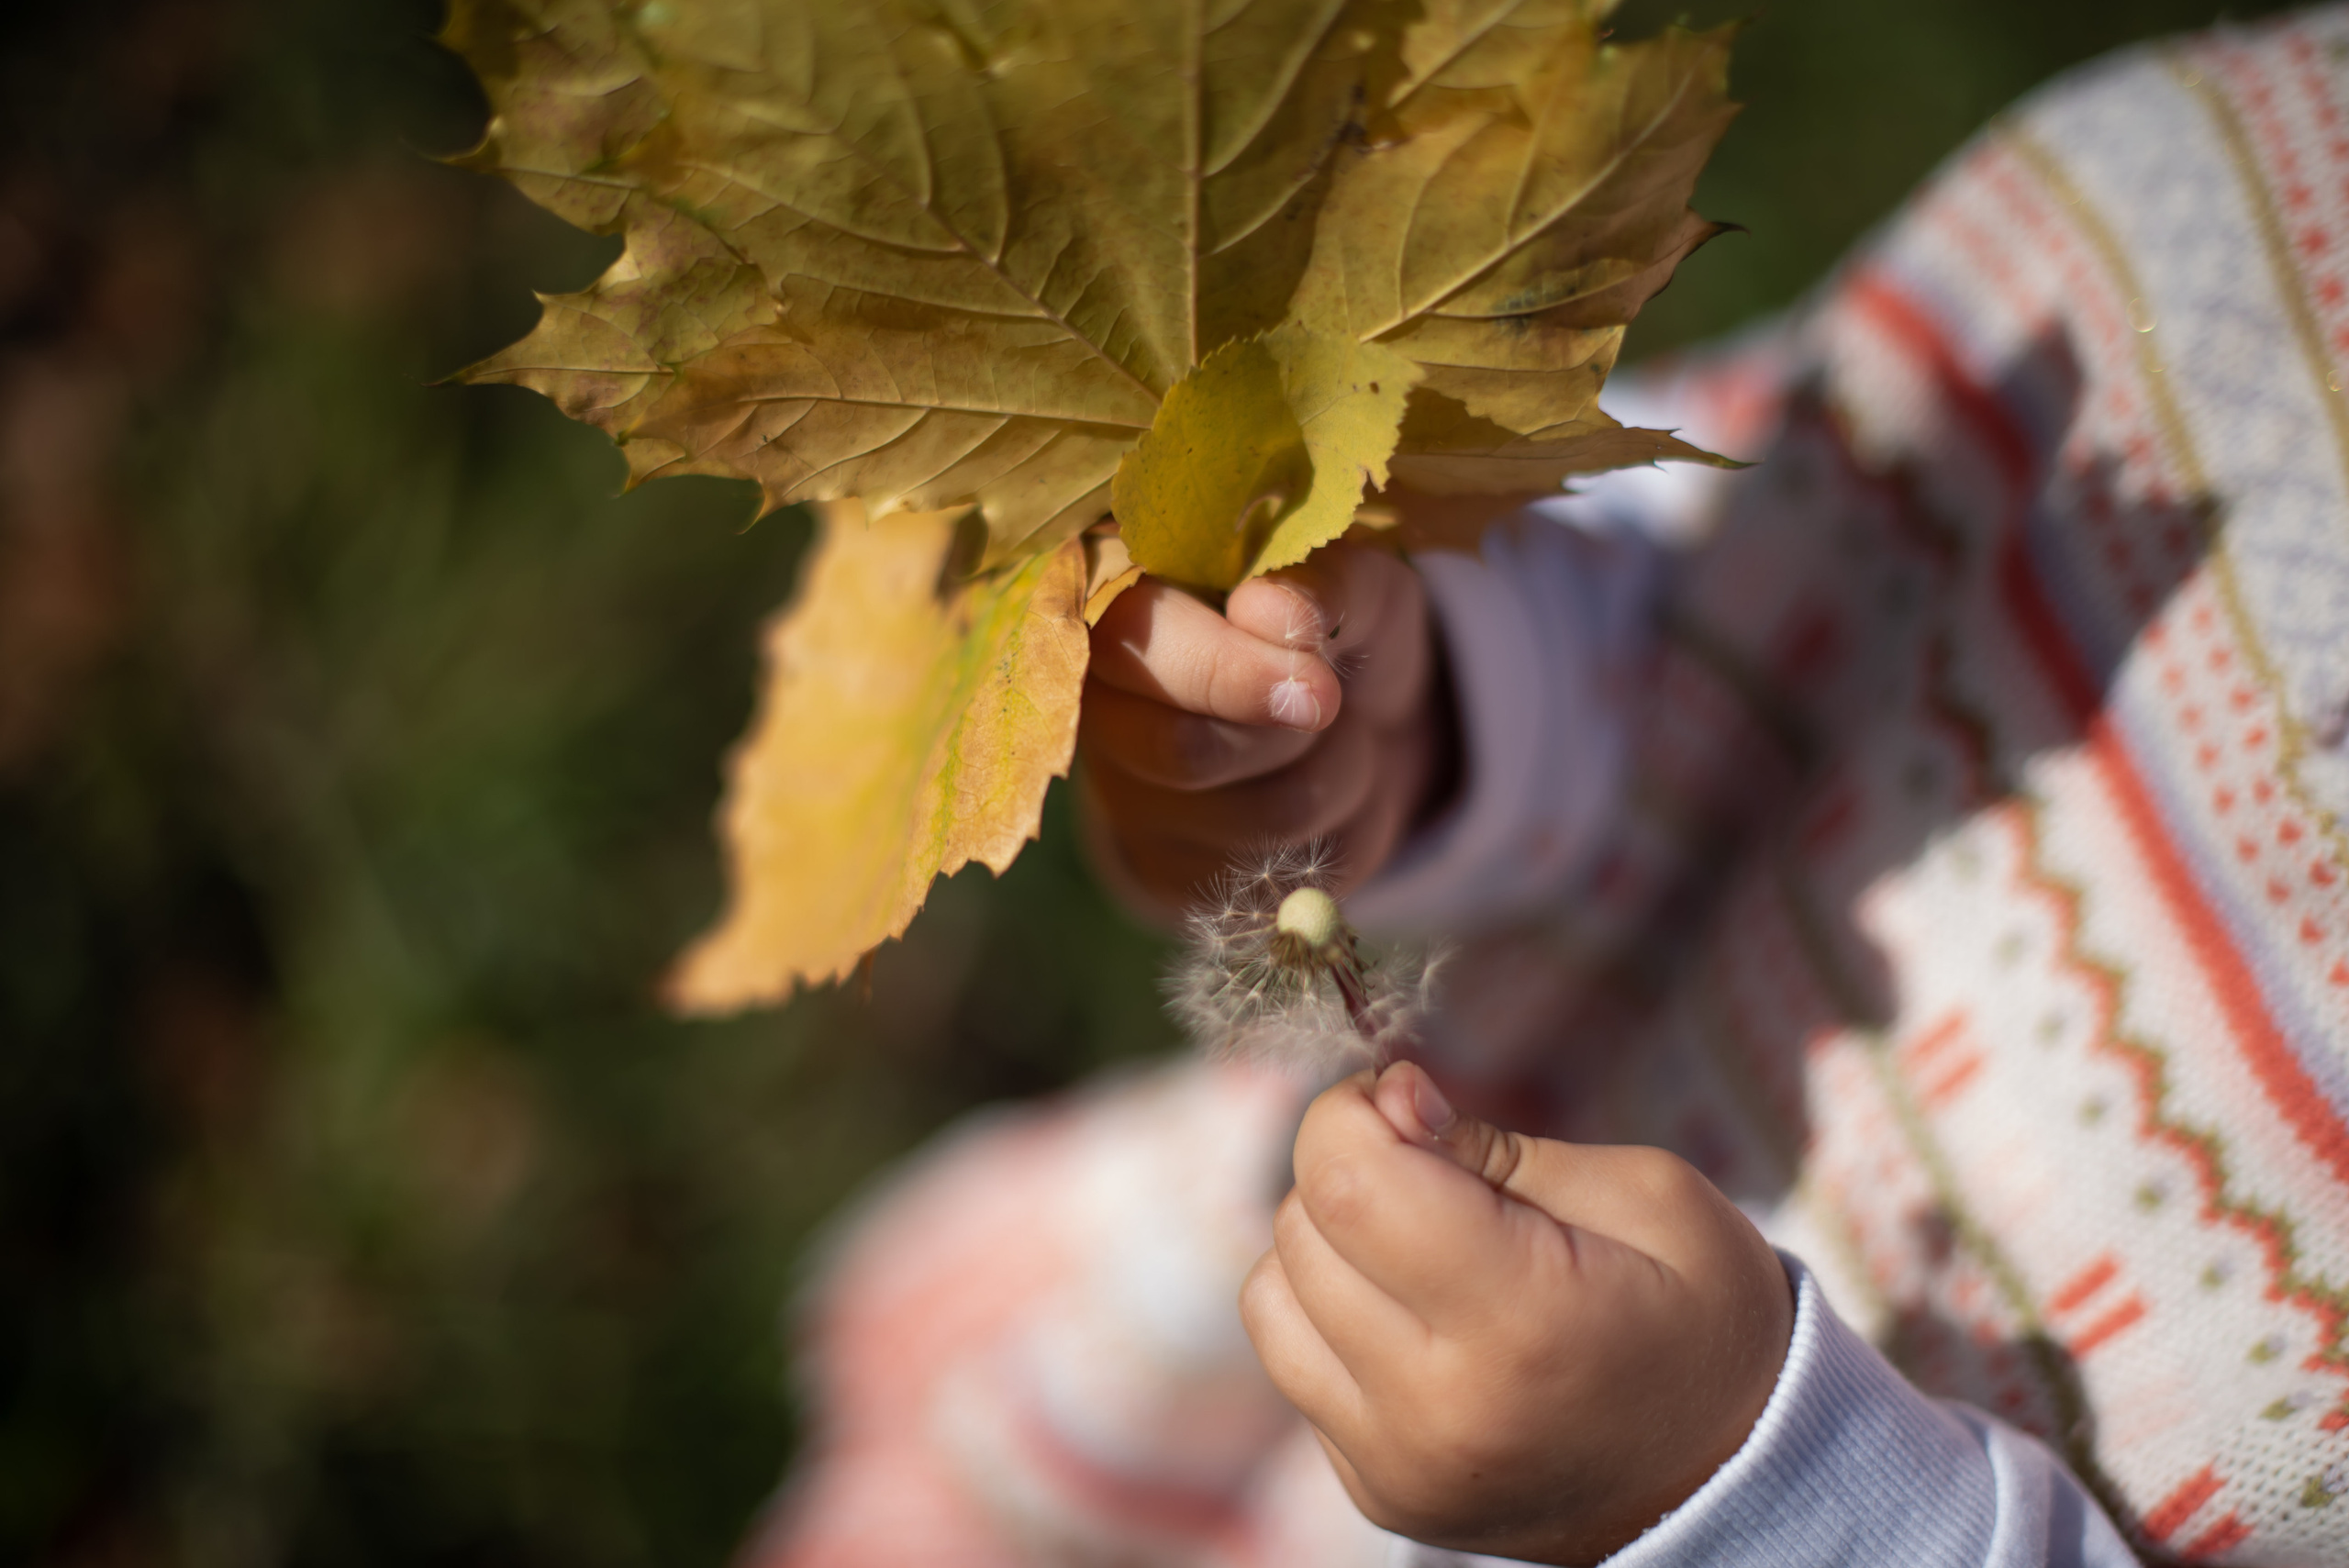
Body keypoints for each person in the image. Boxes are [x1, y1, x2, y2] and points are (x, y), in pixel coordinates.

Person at [746, 9, 2349, 1565]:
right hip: (1233, 1338)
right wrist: (1432, 717)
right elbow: (1752, 558)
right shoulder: (2277, 194)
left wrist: (1758, 1501)